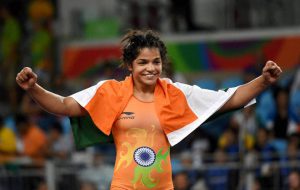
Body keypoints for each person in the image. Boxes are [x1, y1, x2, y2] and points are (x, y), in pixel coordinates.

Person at [16, 29, 282, 189]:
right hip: (123, 187)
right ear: (130, 65)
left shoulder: (175, 93)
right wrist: (33, 89)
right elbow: (64, 105)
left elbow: (228, 99)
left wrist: (263, 81)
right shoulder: (110, 91)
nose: (151, 68)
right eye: (143, 62)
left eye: (156, 62)